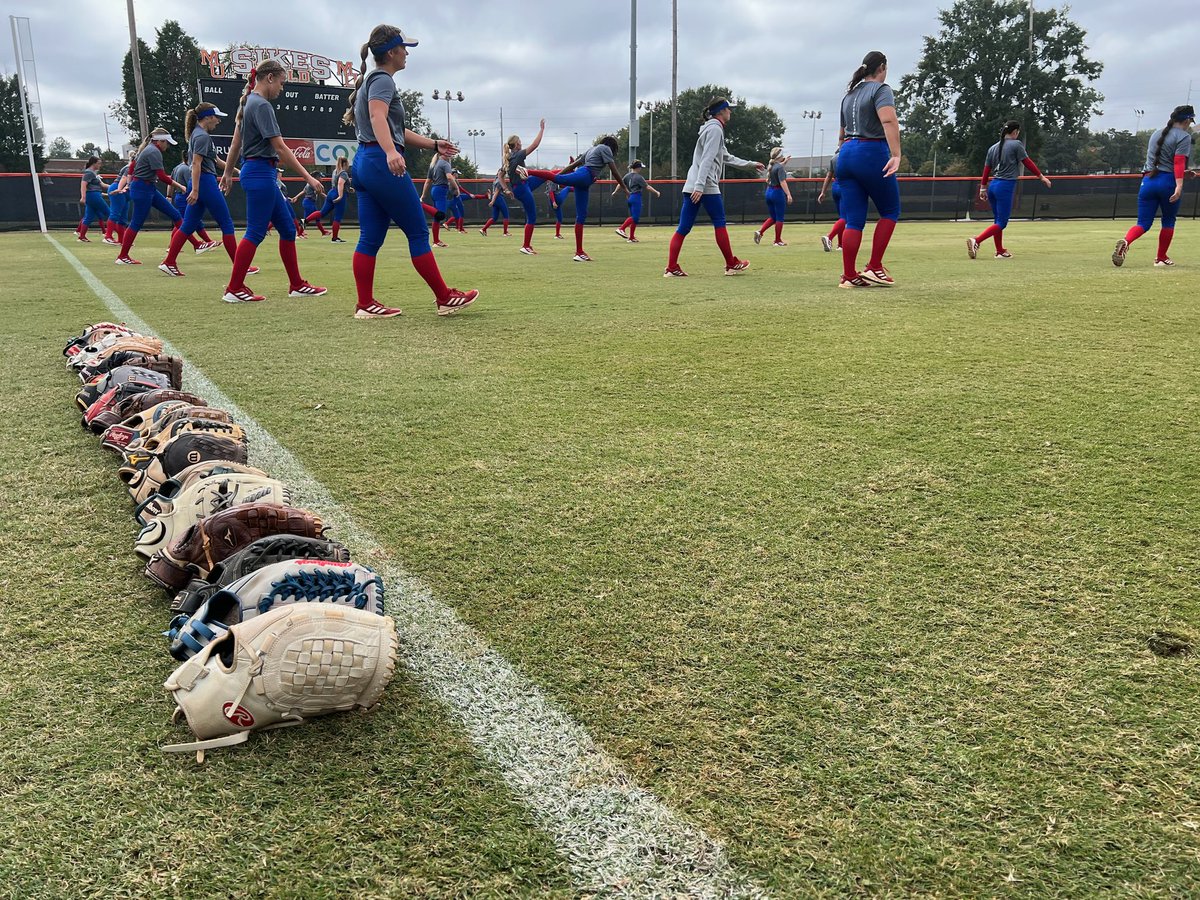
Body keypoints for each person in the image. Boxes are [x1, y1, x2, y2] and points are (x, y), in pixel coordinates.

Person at [343, 23, 478, 318]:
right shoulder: (383, 80)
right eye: (404, 48)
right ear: (391, 52)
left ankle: (365, 304)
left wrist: (433, 144)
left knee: (370, 237)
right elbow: (379, 117)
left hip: (364, 163)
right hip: (380, 161)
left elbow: (395, 128)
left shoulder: (371, 81)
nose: (407, 53)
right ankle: (444, 298)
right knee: (418, 231)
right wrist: (391, 151)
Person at [219, 58, 328, 302]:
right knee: (256, 232)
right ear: (270, 78)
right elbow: (280, 147)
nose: (282, 87)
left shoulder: (249, 103)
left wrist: (227, 172)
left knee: (288, 230)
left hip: (258, 172)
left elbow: (236, 143)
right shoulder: (261, 105)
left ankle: (296, 285)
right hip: (260, 173)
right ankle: (234, 288)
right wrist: (309, 177)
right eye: (281, 81)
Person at [663, 96, 764, 277]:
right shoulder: (716, 129)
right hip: (705, 185)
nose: (730, 112)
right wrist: (701, 186)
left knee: (683, 227)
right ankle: (731, 264)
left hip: (692, 184)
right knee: (719, 222)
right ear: (721, 111)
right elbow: (707, 159)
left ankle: (671, 268)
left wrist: (751, 164)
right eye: (728, 109)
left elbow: (726, 157)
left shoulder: (712, 129)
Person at [158, 102, 255, 277]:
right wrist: (195, 190)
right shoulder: (201, 136)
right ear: (208, 117)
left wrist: (237, 171)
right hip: (205, 182)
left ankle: (169, 262)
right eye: (216, 117)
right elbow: (196, 163)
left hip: (201, 182)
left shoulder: (199, 135)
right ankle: (240, 267)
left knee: (187, 225)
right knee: (226, 223)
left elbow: (216, 161)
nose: (218, 121)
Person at [835, 50, 901, 288]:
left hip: (846, 154)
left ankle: (849, 275)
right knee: (891, 210)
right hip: (871, 152)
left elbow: (841, 135)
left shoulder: (848, 95)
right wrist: (896, 155)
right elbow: (888, 121)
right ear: (882, 67)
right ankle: (874, 266)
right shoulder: (882, 90)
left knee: (853, 220)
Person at [1112, 104, 1195, 268]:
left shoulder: (1156, 133)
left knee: (1142, 223)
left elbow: (1160, 162)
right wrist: (1179, 185)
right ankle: (1161, 257)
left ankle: (1126, 242)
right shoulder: (1183, 137)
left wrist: (1181, 173)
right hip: (1168, 183)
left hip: (1148, 181)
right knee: (1168, 221)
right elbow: (1177, 162)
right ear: (1186, 120)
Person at [524, 136, 628, 261]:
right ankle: (527, 171)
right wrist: (624, 188)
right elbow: (615, 171)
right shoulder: (606, 148)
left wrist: (557, 175)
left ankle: (579, 252)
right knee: (558, 179)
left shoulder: (592, 150)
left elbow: (573, 165)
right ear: (612, 146)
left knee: (581, 215)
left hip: (585, 181)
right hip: (585, 175)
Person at [967, 121, 1051, 260]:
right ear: (1015, 132)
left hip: (993, 185)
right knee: (1002, 223)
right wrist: (1041, 177)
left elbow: (986, 169)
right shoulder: (1016, 144)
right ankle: (977, 240)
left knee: (997, 221)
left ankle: (1000, 251)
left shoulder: (992, 148)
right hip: (1005, 186)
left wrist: (983, 187)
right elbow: (1027, 161)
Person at [115, 128, 189, 265]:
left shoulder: (147, 149)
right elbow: (161, 176)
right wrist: (180, 186)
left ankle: (197, 244)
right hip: (143, 189)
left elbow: (131, 169)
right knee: (136, 223)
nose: (167, 146)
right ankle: (122, 256)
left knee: (176, 215)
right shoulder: (154, 151)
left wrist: (130, 184)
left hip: (147, 188)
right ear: (160, 141)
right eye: (166, 142)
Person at [500, 122, 547, 254]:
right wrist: (542, 129)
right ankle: (525, 246)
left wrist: (506, 189)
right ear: (516, 145)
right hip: (522, 188)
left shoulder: (509, 157)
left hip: (522, 185)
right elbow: (535, 145)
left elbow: (499, 175)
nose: (521, 143)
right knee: (532, 217)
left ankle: (567, 170)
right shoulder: (518, 154)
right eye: (520, 141)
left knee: (547, 175)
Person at [304, 156, 352, 242]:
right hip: (338, 193)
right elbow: (340, 184)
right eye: (347, 164)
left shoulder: (334, 171)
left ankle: (305, 220)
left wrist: (348, 188)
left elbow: (339, 183)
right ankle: (334, 238)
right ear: (345, 164)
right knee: (337, 217)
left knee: (322, 212)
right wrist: (340, 196)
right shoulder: (343, 173)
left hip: (331, 192)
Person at [752, 148, 793, 246]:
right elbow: (783, 182)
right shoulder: (779, 168)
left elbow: (777, 167)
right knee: (779, 218)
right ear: (780, 156)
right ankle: (777, 241)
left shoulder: (772, 165)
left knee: (773, 217)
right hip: (777, 193)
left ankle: (760, 232)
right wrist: (788, 194)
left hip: (769, 192)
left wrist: (785, 162)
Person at [614, 160, 660, 242]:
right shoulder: (638, 177)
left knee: (635, 219)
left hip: (630, 197)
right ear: (638, 168)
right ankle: (621, 228)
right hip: (636, 197)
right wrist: (656, 192)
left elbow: (620, 184)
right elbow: (647, 187)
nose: (641, 169)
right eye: (640, 167)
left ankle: (631, 237)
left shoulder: (627, 176)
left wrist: (615, 191)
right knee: (635, 217)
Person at [420, 152, 456, 246]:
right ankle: (420, 205)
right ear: (443, 153)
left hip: (435, 190)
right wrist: (456, 188)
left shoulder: (434, 164)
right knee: (441, 215)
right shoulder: (445, 163)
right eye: (449, 151)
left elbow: (428, 182)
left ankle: (436, 241)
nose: (451, 154)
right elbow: (449, 177)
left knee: (437, 218)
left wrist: (423, 195)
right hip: (441, 190)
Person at [104, 150, 135, 245]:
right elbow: (124, 178)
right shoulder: (131, 167)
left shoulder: (135, 166)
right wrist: (119, 189)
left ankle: (122, 240)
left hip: (124, 191)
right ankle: (108, 236)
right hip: (119, 188)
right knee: (115, 213)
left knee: (123, 217)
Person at [75, 156, 110, 243]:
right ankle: (111, 236)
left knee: (89, 216)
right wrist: (83, 197)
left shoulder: (94, 173)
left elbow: (103, 185)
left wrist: (117, 187)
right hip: (93, 196)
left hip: (93, 195)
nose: (100, 165)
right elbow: (83, 184)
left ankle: (82, 236)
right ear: (93, 163)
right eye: (98, 163)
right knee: (109, 213)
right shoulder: (89, 173)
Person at [817, 147, 845, 252]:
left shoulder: (833, 158)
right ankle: (830, 237)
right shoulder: (848, 156)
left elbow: (828, 176)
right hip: (845, 186)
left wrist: (823, 192)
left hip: (835, 186)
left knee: (842, 217)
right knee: (846, 217)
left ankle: (841, 245)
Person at [479, 168, 510, 235]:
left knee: (494, 217)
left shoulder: (495, 180)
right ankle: (505, 233)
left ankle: (483, 229)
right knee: (506, 215)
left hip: (495, 199)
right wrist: (492, 201)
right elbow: (496, 192)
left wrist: (492, 199)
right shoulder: (499, 181)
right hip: (498, 198)